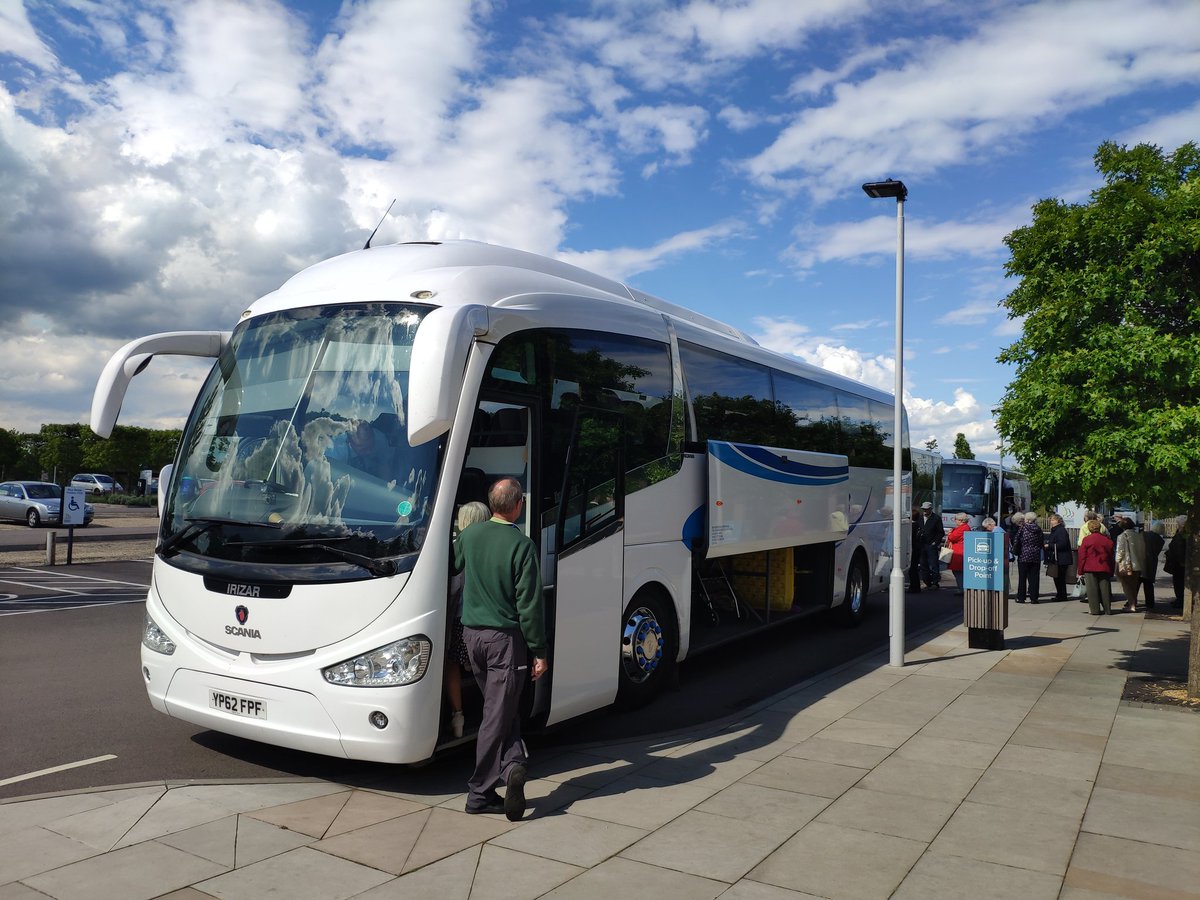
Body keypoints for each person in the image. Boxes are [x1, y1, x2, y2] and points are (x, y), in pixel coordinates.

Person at [453, 477, 548, 821]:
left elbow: (453, 567)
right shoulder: (521, 545)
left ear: (492, 504)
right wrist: (539, 650)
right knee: (497, 714)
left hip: (471, 636)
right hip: (503, 642)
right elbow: (530, 604)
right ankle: (480, 792)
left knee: (499, 708)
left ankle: (513, 767)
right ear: (518, 504)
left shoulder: (469, 536)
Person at [445, 500, 491, 739]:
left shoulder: (456, 548)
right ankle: (491, 715)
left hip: (460, 619)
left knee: (451, 664)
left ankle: (458, 716)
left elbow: (453, 588)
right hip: (487, 621)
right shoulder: (494, 548)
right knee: (483, 669)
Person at [1078, 518, 1116, 615]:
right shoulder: (1108, 541)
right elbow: (1111, 556)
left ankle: (1095, 610)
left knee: (1092, 590)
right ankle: (1107, 609)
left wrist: (1080, 570)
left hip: (1090, 567)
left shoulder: (1086, 540)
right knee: (1105, 589)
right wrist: (1112, 570)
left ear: (1090, 529)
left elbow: (1082, 556)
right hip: (1104, 567)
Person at [1012, 512, 1044, 604]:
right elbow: (1041, 542)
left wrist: (1016, 551)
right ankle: (1034, 598)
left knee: (1022, 578)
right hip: (1035, 556)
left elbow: (1016, 541)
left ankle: (1021, 597)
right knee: (1034, 578)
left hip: (1024, 555)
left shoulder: (1023, 529)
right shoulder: (1038, 529)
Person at [1115, 516, 1145, 612]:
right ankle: (1134, 603)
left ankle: (1132, 605)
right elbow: (1142, 550)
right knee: (1134, 586)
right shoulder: (1139, 536)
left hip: (1126, 564)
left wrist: (1117, 562)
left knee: (1126, 586)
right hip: (1138, 565)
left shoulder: (1122, 536)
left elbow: (1120, 552)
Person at [1043, 513, 1073, 600]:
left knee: (1060, 578)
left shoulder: (1060, 530)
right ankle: (1060, 594)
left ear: (1058, 521)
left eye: (1052, 520)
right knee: (1057, 577)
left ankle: (1062, 595)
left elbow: (1062, 544)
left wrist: (1049, 545)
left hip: (1061, 558)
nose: (1050, 522)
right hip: (1057, 557)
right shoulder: (1056, 530)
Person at [918, 501, 945, 590]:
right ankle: (926, 582)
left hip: (931, 544)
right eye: (923, 509)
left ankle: (935, 582)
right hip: (921, 544)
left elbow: (940, 532)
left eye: (926, 509)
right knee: (923, 564)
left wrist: (935, 543)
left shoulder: (936, 518)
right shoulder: (920, 517)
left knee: (933, 564)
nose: (925, 511)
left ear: (930, 509)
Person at [1140, 522, 1165, 610]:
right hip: (1151, 563)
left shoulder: (1144, 534)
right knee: (1149, 584)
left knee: (1136, 583)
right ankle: (1150, 603)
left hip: (1141, 560)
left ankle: (1132, 601)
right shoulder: (1161, 540)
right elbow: (1156, 552)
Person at [945, 512, 971, 595]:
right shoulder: (963, 527)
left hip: (959, 552)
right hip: (959, 551)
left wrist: (949, 533)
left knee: (958, 571)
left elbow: (952, 537)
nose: (955, 521)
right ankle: (962, 588)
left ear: (960, 520)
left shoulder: (963, 528)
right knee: (958, 571)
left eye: (955, 519)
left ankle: (962, 588)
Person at [1164, 516, 1187, 608]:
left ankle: (1181, 601)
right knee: (1178, 582)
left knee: (1179, 582)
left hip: (1179, 563)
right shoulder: (1180, 533)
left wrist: (1181, 561)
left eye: (1178, 523)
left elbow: (1180, 549)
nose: (1177, 524)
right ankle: (1179, 599)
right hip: (1177, 562)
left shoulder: (1182, 535)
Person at [907, 509, 923, 593]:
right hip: (917, 548)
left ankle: (914, 587)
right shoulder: (918, 525)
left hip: (913, 549)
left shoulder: (912, 526)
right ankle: (915, 586)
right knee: (914, 568)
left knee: (912, 569)